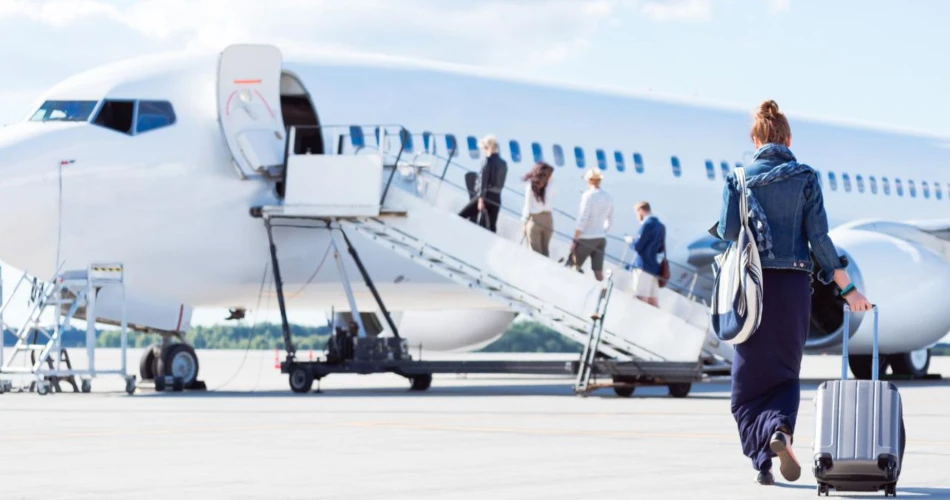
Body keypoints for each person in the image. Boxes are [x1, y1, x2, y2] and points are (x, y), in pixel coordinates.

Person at [716, 100, 873, 486]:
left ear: (755, 139)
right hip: (792, 291)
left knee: (745, 385)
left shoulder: (738, 178)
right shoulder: (805, 177)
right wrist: (848, 289)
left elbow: (727, 233)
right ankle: (780, 432)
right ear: (787, 138)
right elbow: (819, 240)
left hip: (752, 290)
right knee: (785, 376)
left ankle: (761, 462)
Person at [571, 168, 614, 281]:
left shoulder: (588, 196)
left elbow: (583, 218)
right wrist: (603, 231)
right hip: (601, 238)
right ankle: (604, 293)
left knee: (573, 265)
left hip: (587, 237)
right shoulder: (608, 196)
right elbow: (610, 219)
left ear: (588, 180)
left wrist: (575, 239)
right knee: (598, 272)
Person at [458, 135, 507, 232]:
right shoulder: (503, 163)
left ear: (487, 148)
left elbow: (483, 182)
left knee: (461, 216)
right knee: (491, 227)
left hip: (485, 197)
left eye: (484, 149)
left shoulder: (487, 161)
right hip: (497, 198)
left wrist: (481, 200)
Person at [624, 201, 664, 307]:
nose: (637, 217)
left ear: (641, 210)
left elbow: (638, 246)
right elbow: (660, 249)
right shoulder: (660, 226)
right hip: (654, 268)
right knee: (652, 301)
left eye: (636, 213)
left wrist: (630, 241)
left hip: (642, 265)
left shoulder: (647, 224)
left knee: (640, 298)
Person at [521, 162, 555, 256]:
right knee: (545, 251)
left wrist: (524, 222)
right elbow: (553, 194)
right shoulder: (550, 185)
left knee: (535, 253)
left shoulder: (531, 186)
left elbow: (527, 206)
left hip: (535, 220)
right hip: (548, 220)